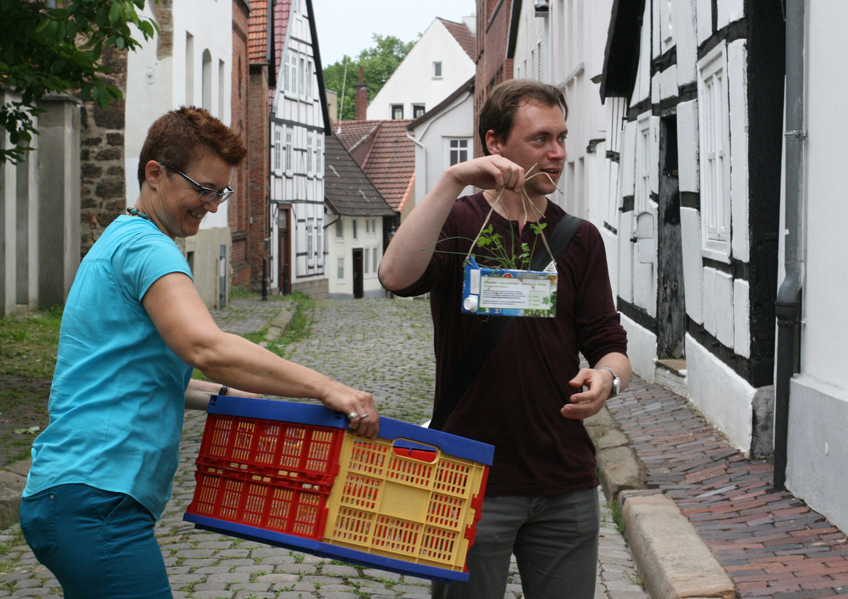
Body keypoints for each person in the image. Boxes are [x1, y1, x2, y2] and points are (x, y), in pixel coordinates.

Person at [20, 106, 379, 599]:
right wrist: (329, 387)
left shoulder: (118, 241)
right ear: (155, 174)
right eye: (203, 189)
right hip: (97, 500)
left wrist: (233, 398)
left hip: (73, 495)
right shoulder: (149, 249)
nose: (212, 205)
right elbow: (204, 346)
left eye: (220, 192)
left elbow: (142, 373)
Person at [379, 80, 631, 599]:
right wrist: (452, 179)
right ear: (495, 143)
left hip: (563, 479)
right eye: (541, 139)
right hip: (469, 477)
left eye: (562, 137)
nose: (558, 153)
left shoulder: (579, 238)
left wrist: (607, 377)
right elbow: (395, 276)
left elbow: (609, 341)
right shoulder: (458, 225)